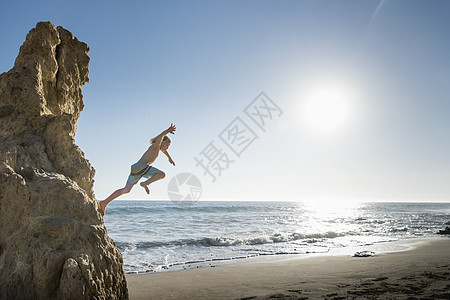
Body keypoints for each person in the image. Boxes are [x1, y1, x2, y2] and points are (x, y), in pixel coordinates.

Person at [99, 123, 176, 215]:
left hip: (136, 169)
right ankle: (145, 183)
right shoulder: (155, 146)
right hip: (142, 166)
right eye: (167, 145)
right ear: (162, 142)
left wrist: (169, 158)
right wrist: (167, 130)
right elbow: (161, 137)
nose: (167, 148)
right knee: (162, 174)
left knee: (126, 189)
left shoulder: (157, 149)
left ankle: (104, 202)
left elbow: (164, 150)